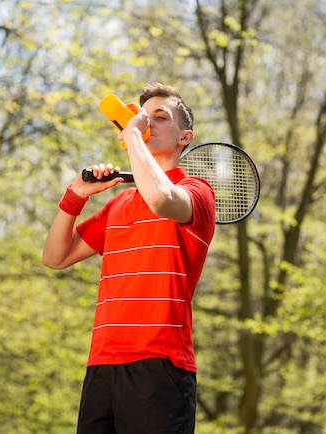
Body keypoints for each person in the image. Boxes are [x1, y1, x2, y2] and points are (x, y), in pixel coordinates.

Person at [42, 83, 216, 434]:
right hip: (102, 365)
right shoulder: (118, 205)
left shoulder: (197, 193)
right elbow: (54, 257)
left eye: (159, 118)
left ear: (185, 137)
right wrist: (75, 195)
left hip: (160, 366)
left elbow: (160, 198)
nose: (147, 123)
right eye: (141, 116)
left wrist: (134, 134)